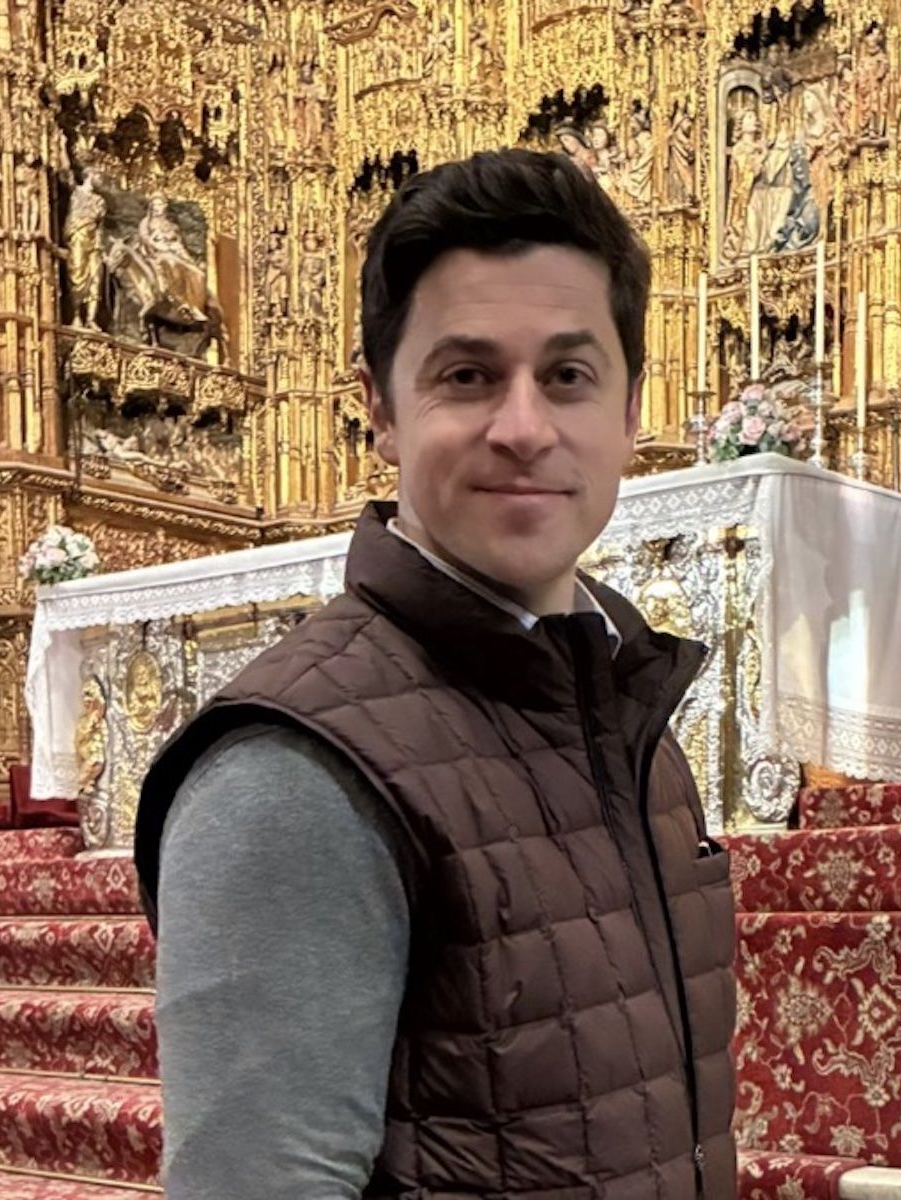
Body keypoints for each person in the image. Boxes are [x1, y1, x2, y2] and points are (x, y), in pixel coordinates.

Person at [135, 148, 737, 1199]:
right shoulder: (293, 772)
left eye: (567, 375)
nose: (523, 427)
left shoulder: (624, 710)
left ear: (631, 407)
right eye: (467, 376)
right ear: (380, 407)